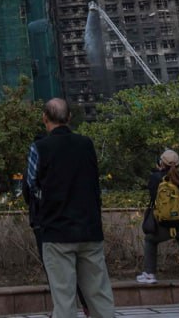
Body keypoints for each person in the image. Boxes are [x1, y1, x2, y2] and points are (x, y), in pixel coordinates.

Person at [26, 98, 114, 318]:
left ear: (44, 118)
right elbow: (94, 181)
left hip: (57, 232)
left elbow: (30, 185)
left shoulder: (40, 148)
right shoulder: (86, 144)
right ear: (69, 118)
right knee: (99, 294)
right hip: (90, 229)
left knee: (64, 298)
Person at [136, 149, 179, 313]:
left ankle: (150, 274)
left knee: (150, 239)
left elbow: (153, 199)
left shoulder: (156, 178)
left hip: (163, 225)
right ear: (178, 164)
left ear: (160, 163)